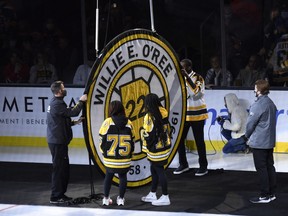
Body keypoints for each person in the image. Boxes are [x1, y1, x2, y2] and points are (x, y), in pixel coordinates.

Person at [47, 81, 87, 204]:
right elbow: (73, 112)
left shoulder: (57, 103)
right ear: (59, 91)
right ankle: (56, 196)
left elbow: (63, 120)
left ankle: (60, 194)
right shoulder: (57, 104)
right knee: (59, 169)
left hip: (58, 141)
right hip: (58, 142)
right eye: (63, 88)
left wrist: (76, 122)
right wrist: (81, 101)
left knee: (63, 169)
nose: (65, 89)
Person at [173, 59, 209, 176]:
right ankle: (183, 164)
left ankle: (203, 166)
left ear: (189, 67)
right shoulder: (180, 79)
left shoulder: (198, 78)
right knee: (179, 140)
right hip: (185, 115)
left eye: (183, 67)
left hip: (198, 114)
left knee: (199, 142)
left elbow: (195, 92)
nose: (181, 70)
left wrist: (187, 78)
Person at [244, 79, 277, 203]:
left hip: (260, 142)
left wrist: (246, 136)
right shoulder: (271, 103)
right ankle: (272, 193)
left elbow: (250, 124)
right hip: (269, 141)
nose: (254, 89)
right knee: (270, 167)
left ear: (258, 90)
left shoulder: (258, 105)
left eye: (255, 87)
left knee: (262, 168)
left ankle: (264, 195)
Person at [99, 100, 135, 206]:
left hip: (110, 160)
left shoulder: (107, 122)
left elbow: (101, 140)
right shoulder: (129, 123)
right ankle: (121, 199)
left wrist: (104, 154)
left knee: (108, 176)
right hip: (125, 160)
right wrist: (130, 155)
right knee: (123, 177)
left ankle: (106, 199)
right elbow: (133, 140)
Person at [141, 93, 171, 206]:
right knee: (154, 169)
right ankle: (153, 193)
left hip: (155, 148)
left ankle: (165, 196)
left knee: (159, 171)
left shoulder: (149, 116)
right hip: (164, 145)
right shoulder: (163, 111)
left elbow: (148, 134)